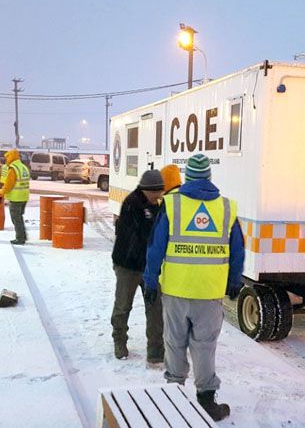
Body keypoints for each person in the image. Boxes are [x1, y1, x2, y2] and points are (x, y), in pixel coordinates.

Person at [143, 153, 244, 422]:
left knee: (174, 342)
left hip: (176, 289)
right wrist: (235, 281)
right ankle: (206, 400)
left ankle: (173, 395)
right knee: (204, 345)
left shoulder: (172, 204)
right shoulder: (225, 208)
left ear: (187, 177)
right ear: (209, 177)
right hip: (209, 292)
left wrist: (150, 281)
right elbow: (237, 251)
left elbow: (155, 247)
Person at [111, 169, 166, 362]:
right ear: (146, 190)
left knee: (155, 308)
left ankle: (156, 350)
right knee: (123, 306)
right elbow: (141, 235)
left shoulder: (157, 205)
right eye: (156, 192)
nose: (159, 195)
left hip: (150, 268)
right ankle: (119, 341)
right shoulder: (131, 204)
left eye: (161, 192)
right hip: (128, 265)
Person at [0, 149, 31, 245]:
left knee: (16, 219)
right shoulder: (23, 167)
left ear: (11, 157)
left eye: (7, 157)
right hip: (24, 197)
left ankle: (20, 238)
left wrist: (1, 194)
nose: (6, 159)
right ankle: (23, 236)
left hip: (16, 198)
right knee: (19, 218)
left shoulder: (13, 169)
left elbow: (8, 185)